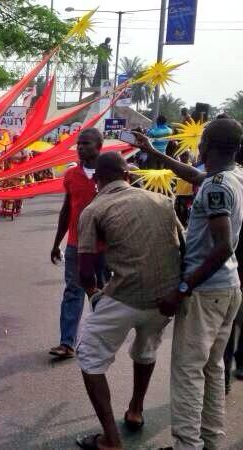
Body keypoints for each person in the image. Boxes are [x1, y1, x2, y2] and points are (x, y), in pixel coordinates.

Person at [131, 119, 243, 450]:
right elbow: (194, 176)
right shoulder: (232, 177)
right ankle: (209, 441)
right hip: (228, 289)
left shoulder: (217, 186)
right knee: (211, 368)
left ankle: (186, 445)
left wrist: (183, 288)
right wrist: (152, 152)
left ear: (206, 144)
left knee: (188, 372)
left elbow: (223, 246)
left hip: (205, 292)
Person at [74, 152, 183, 450]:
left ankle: (111, 439)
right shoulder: (162, 201)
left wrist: (94, 295)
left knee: (90, 357)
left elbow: (85, 270)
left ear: (97, 181)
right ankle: (135, 411)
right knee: (146, 351)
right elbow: (183, 248)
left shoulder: (94, 209)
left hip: (123, 296)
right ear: (128, 175)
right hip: (165, 300)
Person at [49, 128, 106, 359]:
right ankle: (67, 343)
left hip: (105, 247)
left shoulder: (110, 172)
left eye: (86, 143)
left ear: (99, 146)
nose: (80, 147)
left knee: (102, 294)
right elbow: (66, 210)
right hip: (75, 245)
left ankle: (100, 344)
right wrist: (56, 243)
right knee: (73, 291)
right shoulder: (71, 175)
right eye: (78, 144)